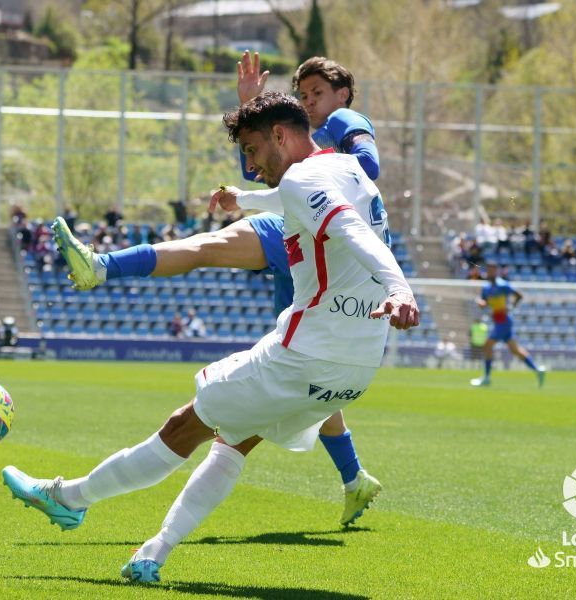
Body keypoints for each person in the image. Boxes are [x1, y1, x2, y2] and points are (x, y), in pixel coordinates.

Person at [3, 91, 419, 583]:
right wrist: (244, 199)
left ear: (281, 136)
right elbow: (317, 205)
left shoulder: (306, 178)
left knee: (184, 427)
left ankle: (67, 499)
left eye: (251, 149)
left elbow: (349, 229)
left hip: (305, 354)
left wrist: (399, 287)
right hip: (357, 366)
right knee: (234, 442)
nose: (248, 162)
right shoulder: (346, 169)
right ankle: (151, 554)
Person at [48, 53, 388, 526]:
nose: (309, 101)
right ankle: (99, 265)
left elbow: (368, 166)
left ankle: (353, 479)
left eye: (318, 94)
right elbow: (258, 173)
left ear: (342, 96)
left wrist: (323, 162)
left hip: (324, 233)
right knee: (211, 246)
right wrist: (254, 109)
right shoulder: (290, 138)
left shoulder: (344, 124)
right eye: (303, 94)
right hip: (297, 226)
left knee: (308, 377)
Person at [470, 262, 546, 387]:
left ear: (497, 271)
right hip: (499, 321)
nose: (491, 272)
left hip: (503, 322)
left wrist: (511, 307)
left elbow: (519, 295)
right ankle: (537, 370)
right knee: (515, 351)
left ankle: (487, 378)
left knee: (487, 346)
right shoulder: (486, 287)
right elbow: (485, 303)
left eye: (493, 270)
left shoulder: (503, 285)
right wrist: (481, 302)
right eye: (489, 269)